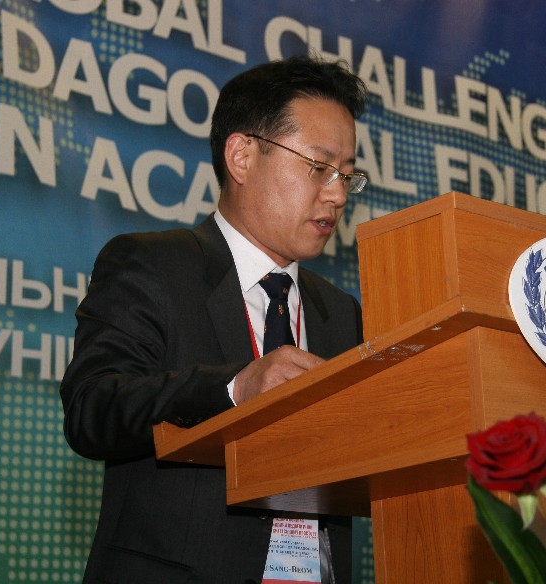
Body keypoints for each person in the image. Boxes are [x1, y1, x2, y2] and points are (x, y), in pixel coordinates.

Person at [59, 54, 368, 583]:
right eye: (319, 167)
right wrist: (233, 389)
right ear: (242, 156)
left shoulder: (342, 313)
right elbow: (93, 408)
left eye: (346, 174)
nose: (337, 194)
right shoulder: (151, 265)